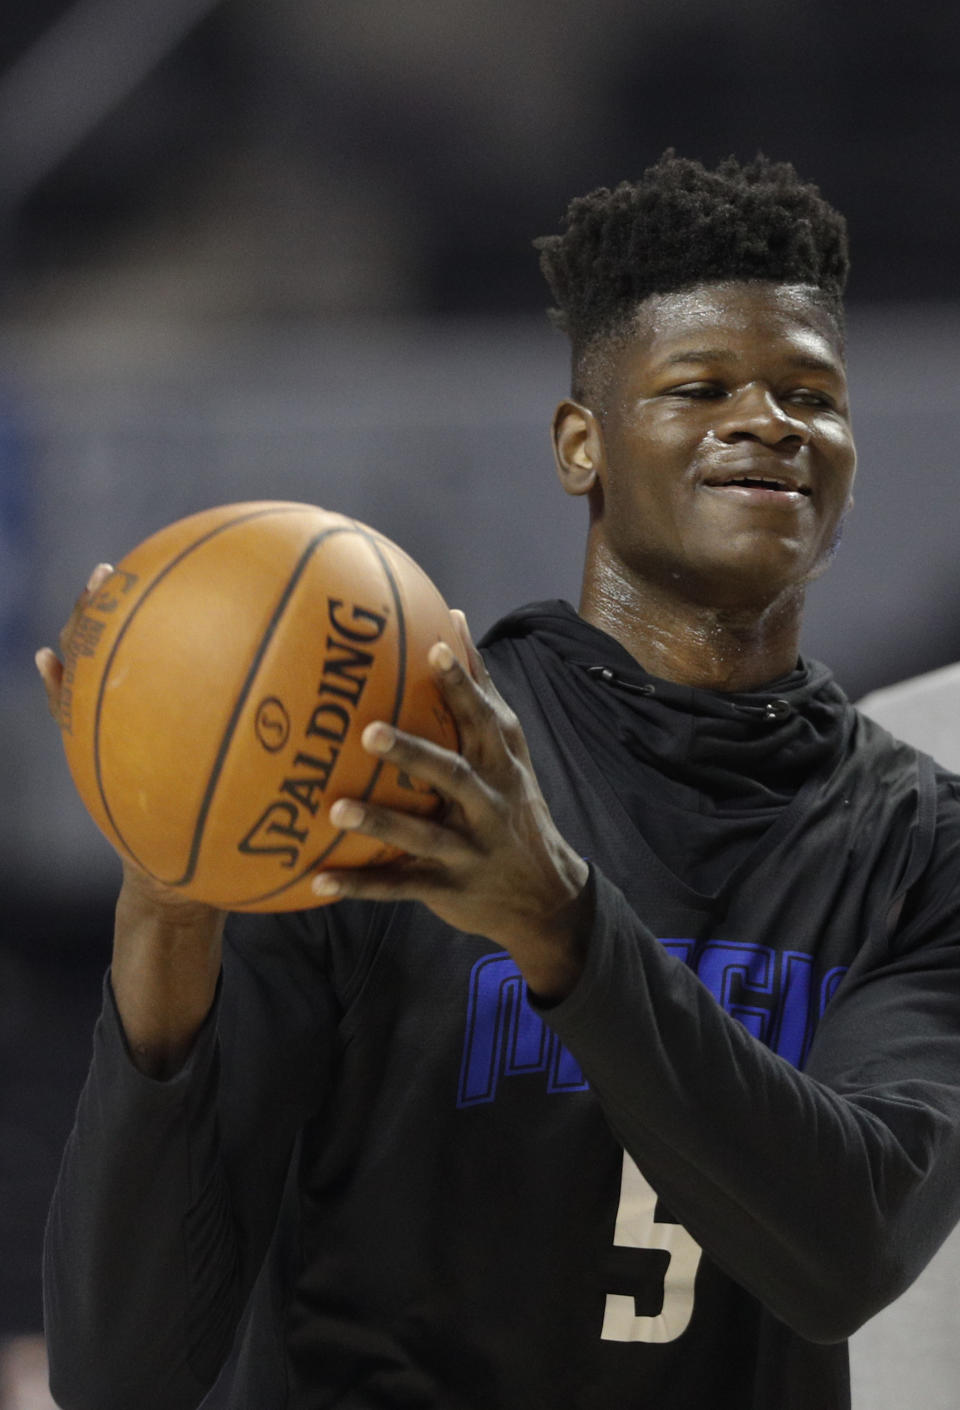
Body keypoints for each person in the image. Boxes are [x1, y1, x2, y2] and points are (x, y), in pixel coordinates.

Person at [36, 153, 960, 1410]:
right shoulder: (373, 770)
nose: (770, 420)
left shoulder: (920, 845)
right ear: (582, 445)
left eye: (813, 393)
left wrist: (562, 928)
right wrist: (170, 909)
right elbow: (122, 1374)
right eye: (701, 386)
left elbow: (848, 1250)